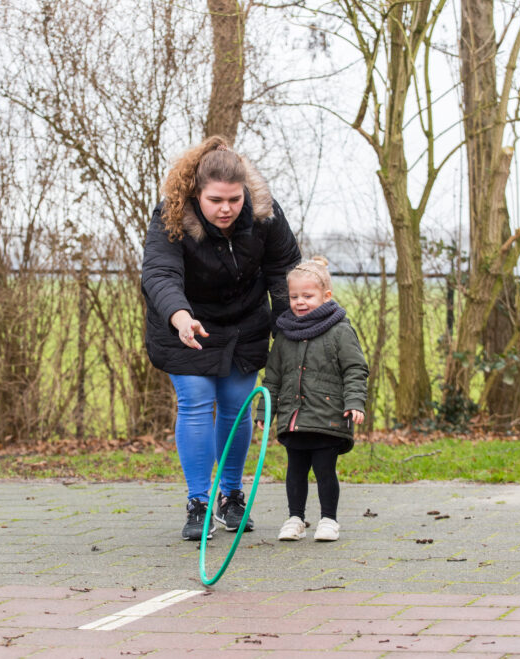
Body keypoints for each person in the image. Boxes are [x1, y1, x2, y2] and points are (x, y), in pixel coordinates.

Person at [142, 135, 301, 540]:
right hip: (185, 321)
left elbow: (284, 271)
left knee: (235, 406)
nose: (227, 209)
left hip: (245, 322)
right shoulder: (170, 217)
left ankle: (231, 495)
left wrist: (288, 332)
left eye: (234, 199)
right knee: (196, 401)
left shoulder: (265, 214)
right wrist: (180, 316)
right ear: (197, 193)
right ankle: (199, 502)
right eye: (216, 200)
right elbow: (160, 274)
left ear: (245, 192)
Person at [256, 257, 368, 542]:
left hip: (328, 416)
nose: (300, 302)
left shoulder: (340, 330)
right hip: (294, 417)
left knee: (324, 470)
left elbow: (355, 369)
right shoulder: (284, 334)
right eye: (294, 296)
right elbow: (273, 377)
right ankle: (295, 518)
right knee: (295, 470)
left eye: (308, 296)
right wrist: (264, 410)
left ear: (326, 296)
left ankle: (329, 520)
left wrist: (354, 403)